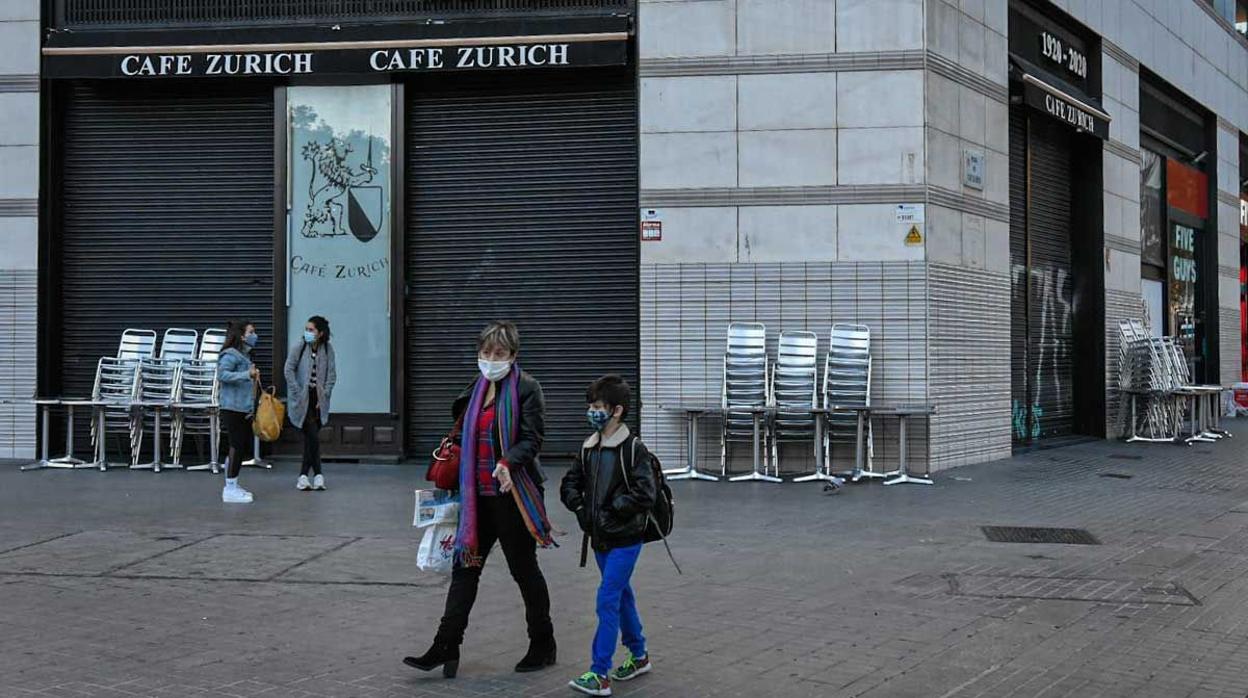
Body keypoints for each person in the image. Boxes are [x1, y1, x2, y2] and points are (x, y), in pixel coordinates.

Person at [404, 321, 558, 678]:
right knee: (464, 571)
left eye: (499, 353)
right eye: (486, 352)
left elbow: (533, 439)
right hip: (476, 500)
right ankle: (445, 646)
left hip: (511, 496)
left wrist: (507, 462)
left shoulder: (527, 389)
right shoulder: (477, 388)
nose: (491, 359)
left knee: (524, 571)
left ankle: (543, 643)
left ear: (513, 356)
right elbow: (461, 433)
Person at [560, 375, 657, 697]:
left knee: (607, 599)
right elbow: (570, 483)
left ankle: (599, 673)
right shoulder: (589, 447)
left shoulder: (633, 449)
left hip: (626, 538)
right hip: (600, 537)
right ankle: (639, 654)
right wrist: (579, 505)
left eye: (597, 406)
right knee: (621, 596)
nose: (591, 411)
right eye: (590, 406)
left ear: (616, 410)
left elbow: (646, 494)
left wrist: (610, 509)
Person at [284, 315, 336, 491]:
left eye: (311, 330)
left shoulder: (328, 349)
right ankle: (317, 475)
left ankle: (305, 477)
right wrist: (297, 391)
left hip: (318, 400)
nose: (307, 333)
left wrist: (325, 395)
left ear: (320, 333)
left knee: (310, 439)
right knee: (312, 435)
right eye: (306, 329)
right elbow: (288, 369)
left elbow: (331, 375)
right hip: (302, 400)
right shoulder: (299, 347)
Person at [217, 320, 260, 504]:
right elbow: (222, 374)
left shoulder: (245, 356)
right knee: (237, 445)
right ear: (242, 336)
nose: (254, 335)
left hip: (242, 407)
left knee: (239, 445)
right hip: (232, 407)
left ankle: (232, 483)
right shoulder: (231, 355)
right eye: (251, 332)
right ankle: (230, 488)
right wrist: (246, 375)